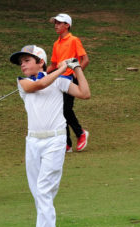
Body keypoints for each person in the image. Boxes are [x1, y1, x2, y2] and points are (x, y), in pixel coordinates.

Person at [9, 45, 91, 227]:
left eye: (27, 60)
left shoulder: (61, 81)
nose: (23, 64)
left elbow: (85, 93)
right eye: (21, 62)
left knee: (44, 191)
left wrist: (75, 69)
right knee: (38, 194)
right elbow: (39, 85)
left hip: (55, 140)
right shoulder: (23, 82)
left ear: (40, 62)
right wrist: (62, 68)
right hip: (33, 141)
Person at [47, 13, 90, 153]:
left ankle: (80, 133)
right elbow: (53, 64)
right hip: (58, 80)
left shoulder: (73, 40)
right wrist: (41, 75)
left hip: (70, 80)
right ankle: (67, 144)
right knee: (59, 110)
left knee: (65, 109)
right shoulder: (56, 43)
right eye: (56, 23)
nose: (56, 25)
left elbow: (85, 60)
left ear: (67, 25)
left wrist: (76, 74)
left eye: (59, 23)